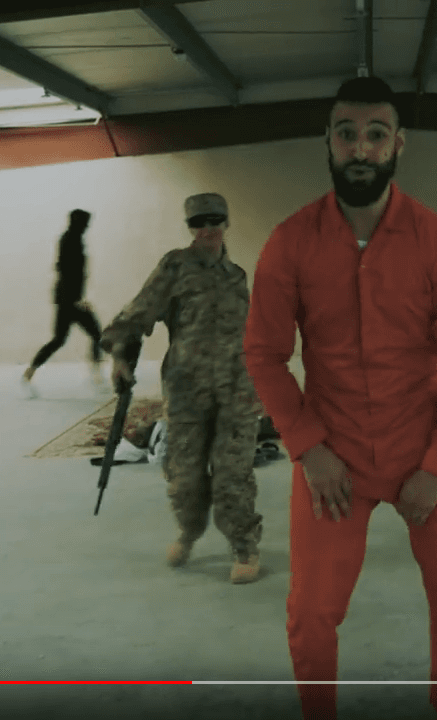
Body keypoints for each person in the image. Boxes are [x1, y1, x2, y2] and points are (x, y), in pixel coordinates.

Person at [243, 77, 437, 720]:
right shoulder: (290, 242)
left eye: (375, 134)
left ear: (398, 145)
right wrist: (307, 450)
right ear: (328, 143)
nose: (361, 148)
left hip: (424, 446)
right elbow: (264, 355)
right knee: (309, 616)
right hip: (334, 456)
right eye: (347, 134)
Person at [99, 193, 264, 585]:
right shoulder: (175, 266)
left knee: (233, 473)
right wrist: (121, 357)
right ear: (190, 227)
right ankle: (189, 531)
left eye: (215, 220)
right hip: (187, 391)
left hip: (237, 391)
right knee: (184, 474)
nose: (207, 229)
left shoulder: (237, 276)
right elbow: (138, 312)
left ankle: (244, 545)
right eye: (199, 222)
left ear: (226, 223)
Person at [22, 209, 105, 396]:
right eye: (85, 223)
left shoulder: (71, 239)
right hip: (69, 300)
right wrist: (76, 300)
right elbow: (67, 271)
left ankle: (29, 373)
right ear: (80, 224)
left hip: (67, 299)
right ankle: (95, 375)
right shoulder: (70, 241)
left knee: (61, 339)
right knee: (94, 334)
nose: (87, 227)